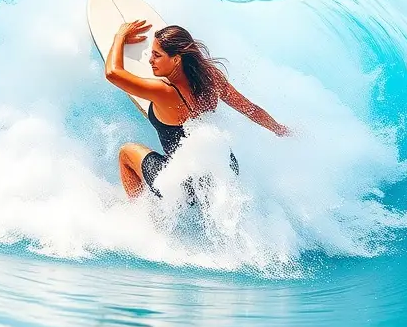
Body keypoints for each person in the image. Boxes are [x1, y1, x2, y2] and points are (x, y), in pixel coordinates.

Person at [105, 20, 290, 199]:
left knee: (126, 153)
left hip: (186, 189)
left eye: (157, 55)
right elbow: (250, 109)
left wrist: (120, 36)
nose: (150, 60)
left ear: (176, 59)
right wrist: (278, 129)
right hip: (224, 169)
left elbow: (113, 73)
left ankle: (139, 214)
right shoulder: (210, 78)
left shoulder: (164, 91)